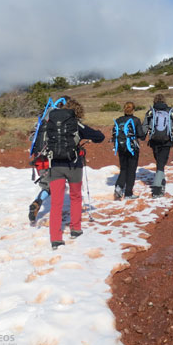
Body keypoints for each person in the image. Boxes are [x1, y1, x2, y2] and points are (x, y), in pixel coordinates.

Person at [47, 98, 104, 250]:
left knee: (56, 203)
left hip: (54, 166)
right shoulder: (76, 124)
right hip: (74, 166)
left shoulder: (50, 122)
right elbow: (99, 137)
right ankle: (75, 229)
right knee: (76, 197)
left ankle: (55, 238)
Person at [143, 94, 173, 198]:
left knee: (159, 161)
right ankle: (157, 188)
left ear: (154, 101)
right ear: (164, 100)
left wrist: (142, 135)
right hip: (167, 140)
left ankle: (161, 181)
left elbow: (144, 127)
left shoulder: (151, 111)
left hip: (154, 140)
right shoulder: (170, 111)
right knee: (161, 162)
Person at [112, 101, 146, 200]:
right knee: (131, 170)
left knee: (123, 168)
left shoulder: (118, 120)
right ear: (133, 109)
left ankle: (119, 187)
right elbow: (141, 136)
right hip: (132, 148)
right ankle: (128, 193)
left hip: (121, 147)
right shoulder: (136, 120)